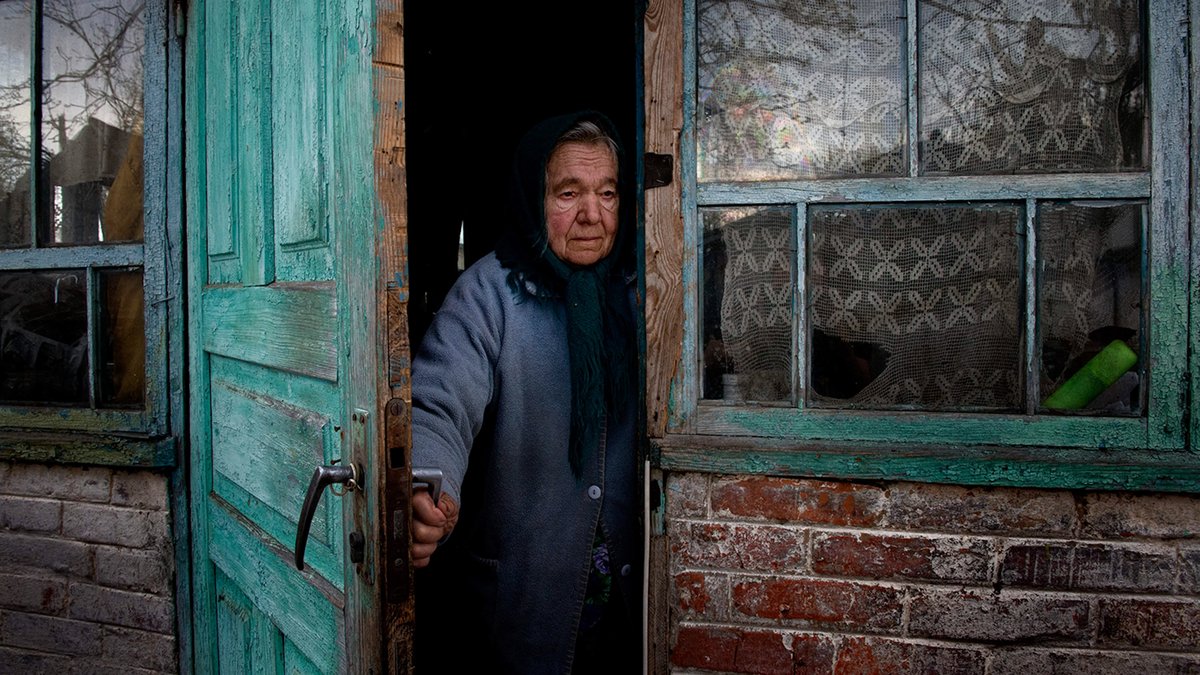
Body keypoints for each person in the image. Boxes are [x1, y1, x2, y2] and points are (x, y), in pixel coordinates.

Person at [410, 111, 641, 674]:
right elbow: (439, 403)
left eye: (607, 192)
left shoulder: (645, 287)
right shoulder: (489, 294)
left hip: (632, 603)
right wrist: (427, 487)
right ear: (532, 197)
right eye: (569, 193)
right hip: (524, 602)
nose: (591, 215)